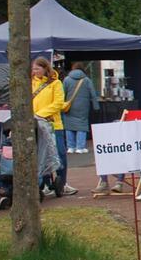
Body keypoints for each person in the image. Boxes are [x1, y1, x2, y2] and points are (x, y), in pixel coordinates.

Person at [32, 57, 77, 196]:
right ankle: (45, 183)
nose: (34, 71)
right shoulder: (31, 83)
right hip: (37, 125)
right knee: (42, 155)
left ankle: (62, 182)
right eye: (33, 69)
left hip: (53, 124)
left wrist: (39, 114)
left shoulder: (56, 83)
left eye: (37, 68)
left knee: (60, 154)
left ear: (45, 68)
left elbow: (58, 103)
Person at [61, 62, 99, 155]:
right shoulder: (86, 80)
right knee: (81, 126)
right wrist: (96, 106)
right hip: (83, 107)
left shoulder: (66, 79)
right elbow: (93, 94)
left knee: (69, 126)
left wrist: (61, 105)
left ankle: (70, 147)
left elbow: (62, 93)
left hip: (70, 106)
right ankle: (80, 147)